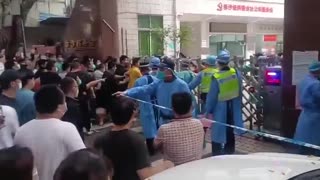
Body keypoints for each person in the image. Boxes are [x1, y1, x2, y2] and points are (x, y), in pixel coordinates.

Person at [14, 85, 85, 180]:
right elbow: (83, 159)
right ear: (59, 107)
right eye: (64, 101)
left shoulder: (21, 131)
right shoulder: (67, 128)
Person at [94, 97, 174, 180]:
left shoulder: (99, 139)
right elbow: (144, 174)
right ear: (133, 114)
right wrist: (166, 165)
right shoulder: (136, 140)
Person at [114, 58, 191, 125]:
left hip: (177, 121)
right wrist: (126, 93)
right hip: (162, 121)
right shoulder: (159, 83)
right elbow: (143, 89)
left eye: (161, 69)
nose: (159, 71)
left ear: (169, 70)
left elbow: (190, 105)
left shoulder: (182, 85)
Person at [205, 50, 243, 156]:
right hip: (233, 107)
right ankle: (230, 152)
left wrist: (208, 110)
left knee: (217, 132)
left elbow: (212, 97)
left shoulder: (217, 76)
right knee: (230, 131)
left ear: (218, 62)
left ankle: (217, 154)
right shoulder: (235, 73)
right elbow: (240, 90)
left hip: (220, 109)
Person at [154, 92, 204, 165]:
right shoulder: (199, 124)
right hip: (196, 168)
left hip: (174, 171)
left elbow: (155, 146)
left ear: (172, 109)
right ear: (191, 107)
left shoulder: (164, 129)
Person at [294, 61, 320, 156]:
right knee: (314, 146)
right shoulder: (316, 84)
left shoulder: (304, 80)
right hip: (315, 118)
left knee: (304, 144)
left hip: (305, 115)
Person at [133, 62, 158, 155]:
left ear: (141, 70)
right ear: (149, 69)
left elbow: (135, 94)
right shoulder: (156, 79)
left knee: (148, 129)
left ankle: (151, 150)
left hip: (145, 106)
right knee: (157, 125)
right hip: (156, 105)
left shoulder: (139, 81)